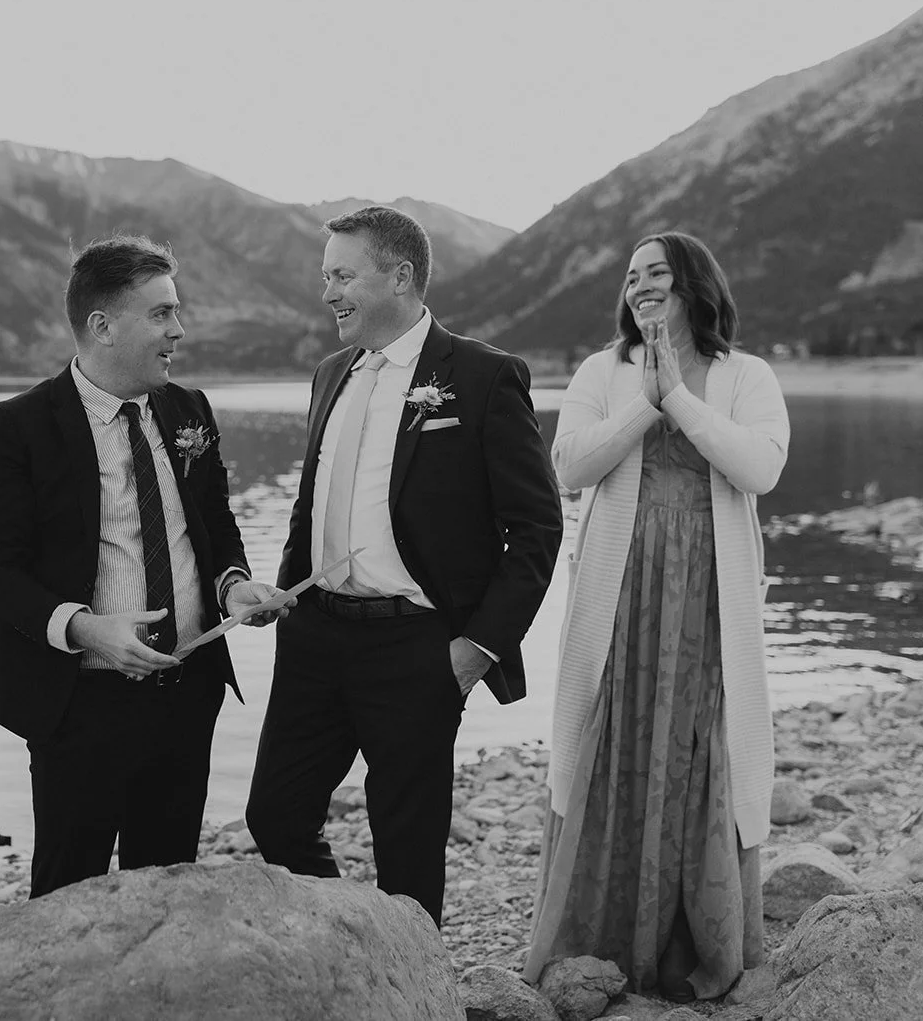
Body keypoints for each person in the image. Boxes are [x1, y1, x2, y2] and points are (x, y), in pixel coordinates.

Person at [245, 206, 563, 927]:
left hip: (419, 647)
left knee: (408, 846)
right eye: (326, 276)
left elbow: (538, 526)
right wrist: (285, 590)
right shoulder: (330, 374)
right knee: (276, 816)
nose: (329, 293)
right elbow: (313, 503)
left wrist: (476, 649)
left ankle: (413, 989)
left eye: (343, 275)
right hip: (315, 638)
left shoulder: (483, 377)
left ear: (400, 276)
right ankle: (352, 944)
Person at [0, 234, 286, 898]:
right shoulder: (16, 428)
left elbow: (217, 527)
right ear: (102, 326)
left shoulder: (189, 409)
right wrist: (85, 627)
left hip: (187, 691)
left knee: (168, 886)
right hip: (79, 702)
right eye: (162, 313)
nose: (180, 329)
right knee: (66, 892)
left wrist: (235, 587)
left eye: (176, 311)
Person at [525, 232, 790, 999]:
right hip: (621, 585)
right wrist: (645, 404)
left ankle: (696, 942)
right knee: (611, 729)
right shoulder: (601, 372)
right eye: (632, 277)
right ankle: (595, 936)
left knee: (702, 732)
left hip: (710, 591)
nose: (641, 287)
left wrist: (678, 396)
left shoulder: (745, 375)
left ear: (692, 286)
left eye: (657, 275)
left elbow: (760, 468)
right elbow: (569, 466)